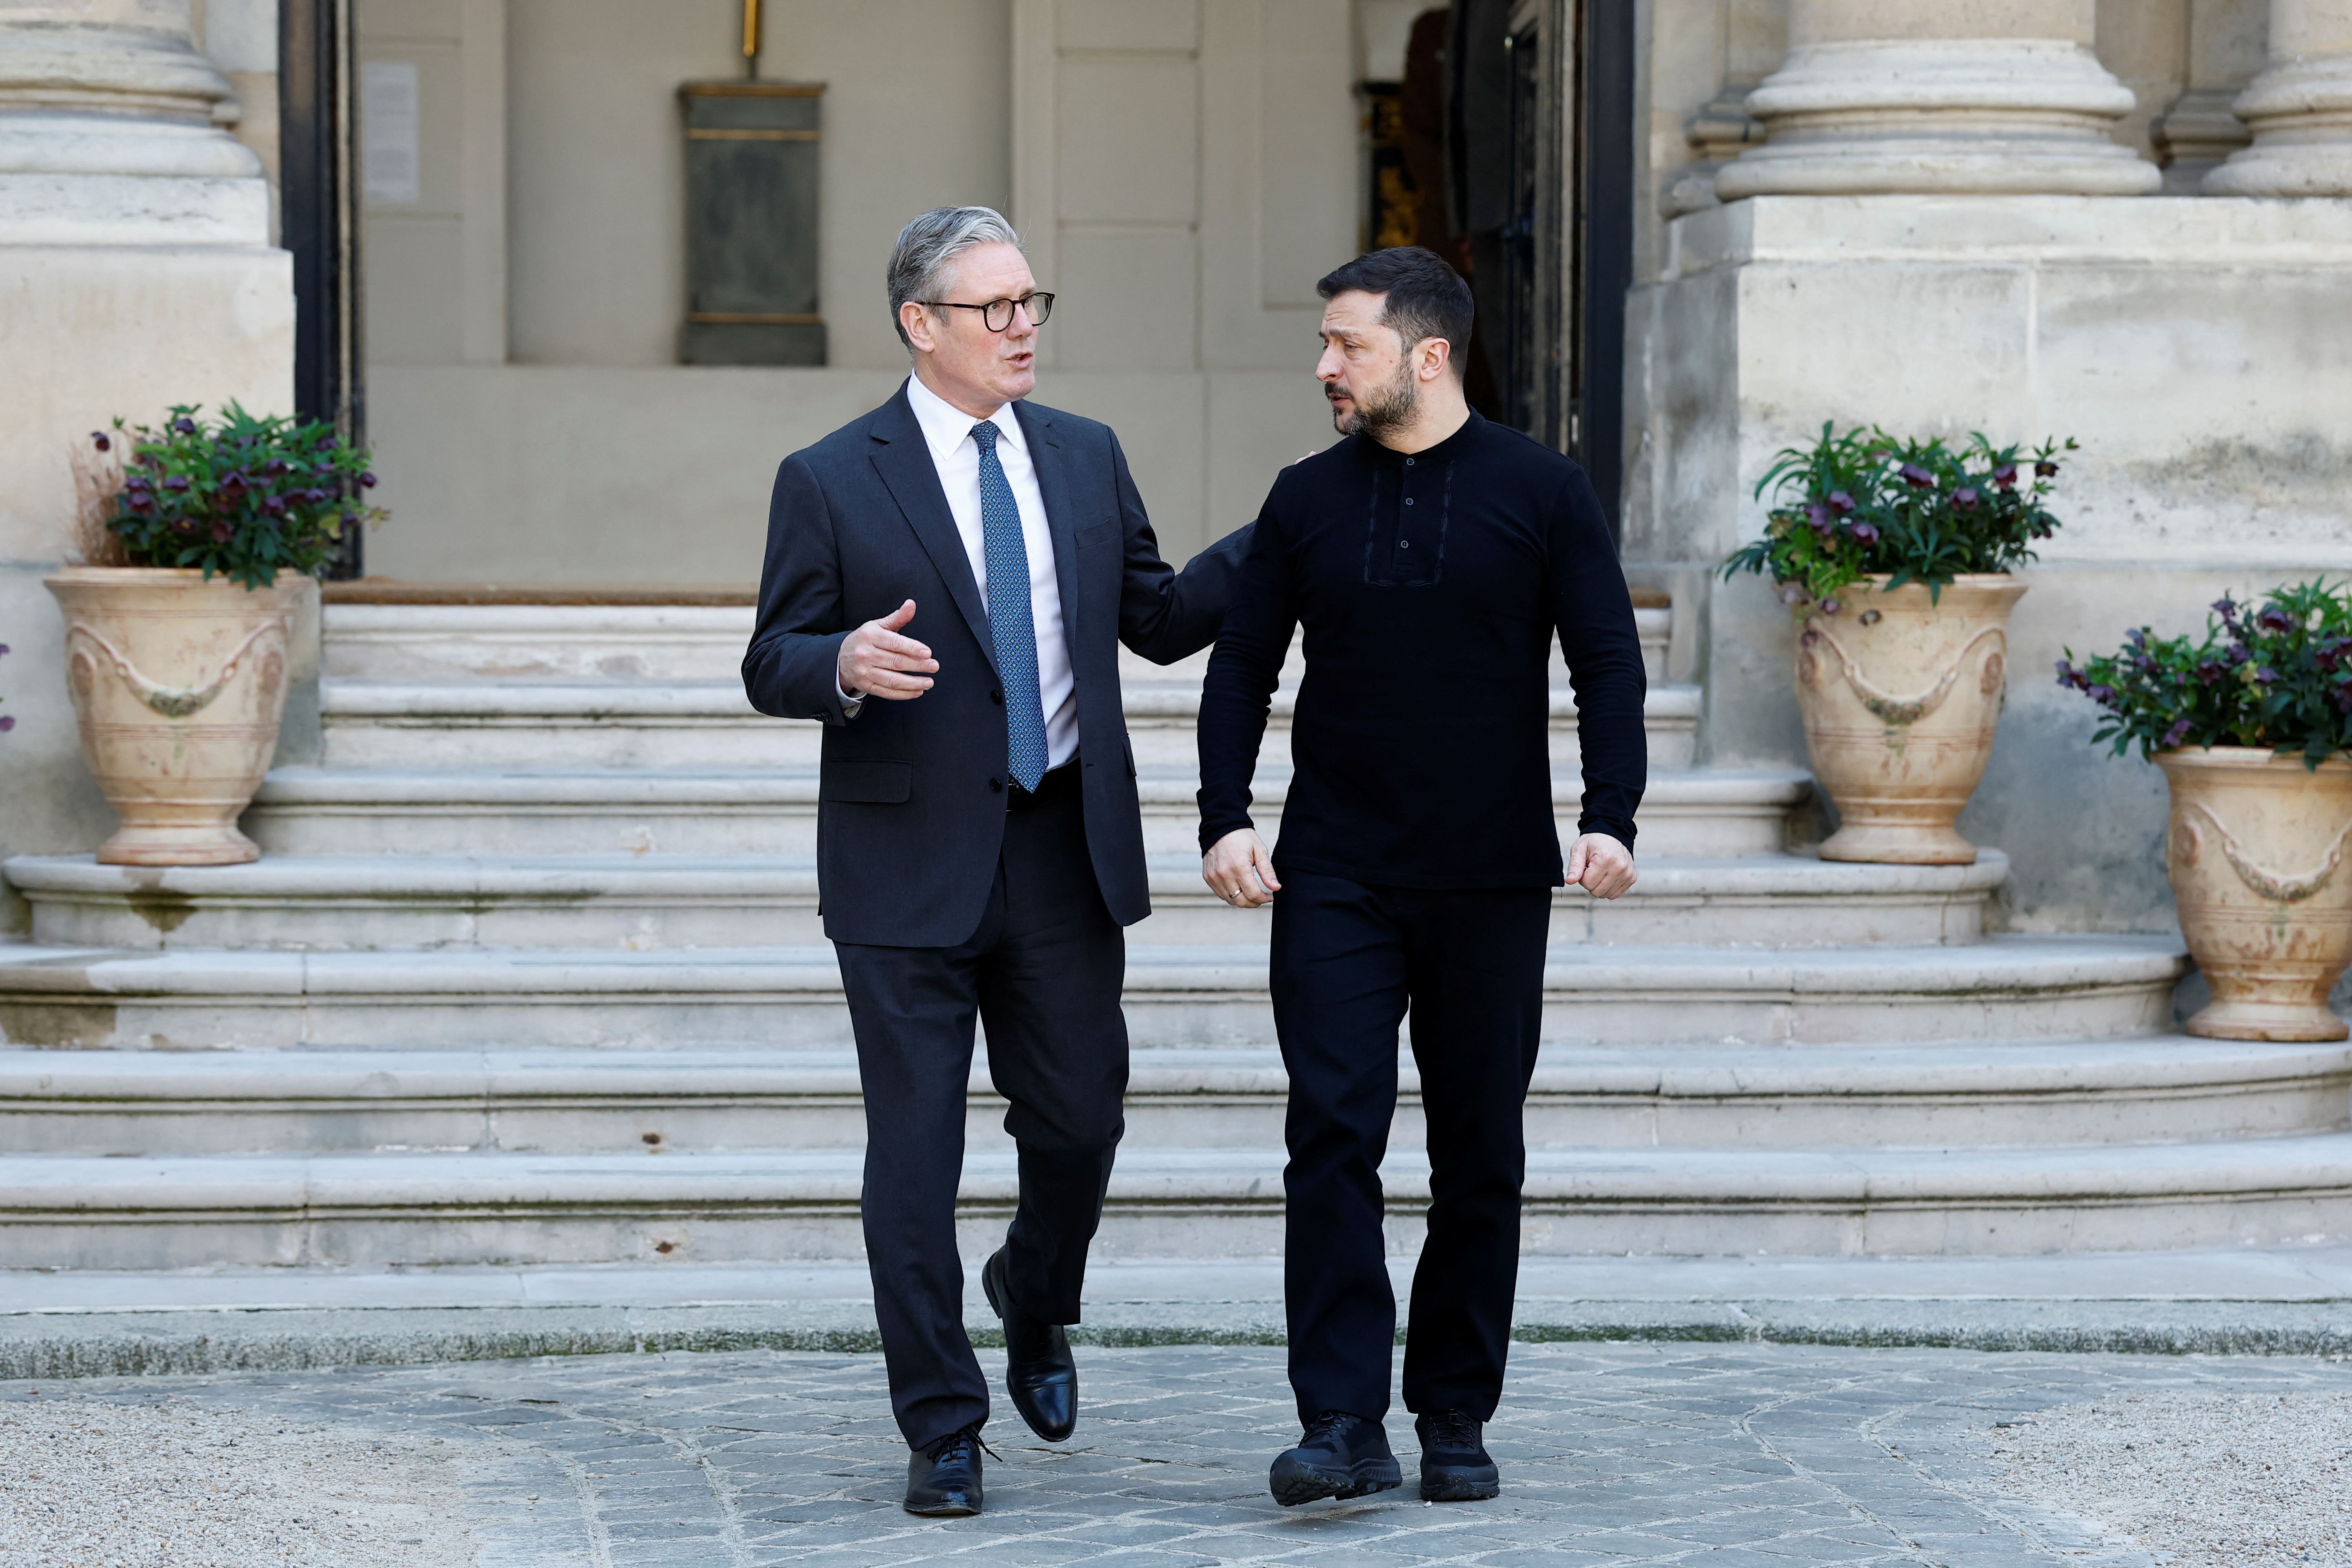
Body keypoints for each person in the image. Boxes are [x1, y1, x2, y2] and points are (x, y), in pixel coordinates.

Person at [743, 206, 1252, 1518]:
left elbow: (1151, 617)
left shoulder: (1084, 456)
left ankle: (1034, 1292)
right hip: (903, 858)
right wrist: (841, 663)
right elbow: (771, 658)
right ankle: (942, 1424)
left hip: (1061, 844)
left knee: (1081, 1118)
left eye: (1032, 303)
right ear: (921, 324)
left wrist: (1283, 531)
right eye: (996, 309)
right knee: (912, 1156)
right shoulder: (832, 475)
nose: (1023, 327)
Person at [1195, 246, 1647, 1507]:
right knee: (1330, 1135)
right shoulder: (1302, 498)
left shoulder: (1541, 490)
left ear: (1426, 354)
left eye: (1346, 343)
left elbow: (1606, 662)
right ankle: (1339, 1418)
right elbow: (1242, 667)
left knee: (1478, 1151)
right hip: (1333, 868)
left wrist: (1611, 812)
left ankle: (1453, 1409)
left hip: (1491, 873)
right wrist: (1222, 816)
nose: (1325, 366)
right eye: (1325, 343)